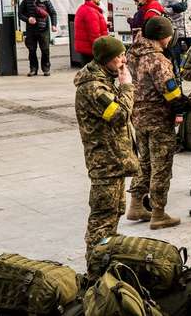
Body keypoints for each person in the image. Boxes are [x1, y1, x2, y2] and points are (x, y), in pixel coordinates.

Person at [74, 36, 138, 257]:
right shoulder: (94, 88)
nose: (123, 60)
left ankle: (106, 259)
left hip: (114, 161)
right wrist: (127, 86)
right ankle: (95, 268)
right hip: (105, 164)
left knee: (114, 212)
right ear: (105, 59)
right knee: (102, 219)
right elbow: (119, 115)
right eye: (119, 56)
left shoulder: (105, 78)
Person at [125, 17, 189, 230]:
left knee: (145, 162)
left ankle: (135, 205)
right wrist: (183, 105)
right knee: (161, 166)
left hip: (139, 117)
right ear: (164, 36)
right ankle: (158, 213)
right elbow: (170, 92)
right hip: (159, 119)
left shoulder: (133, 53)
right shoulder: (157, 60)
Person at [18, 0, 57, 77]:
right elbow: (20, 14)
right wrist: (28, 19)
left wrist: (54, 25)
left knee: (45, 50)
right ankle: (33, 69)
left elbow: (53, 13)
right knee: (31, 50)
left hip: (44, 30)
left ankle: (46, 69)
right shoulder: (25, 1)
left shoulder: (45, 1)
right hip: (31, 30)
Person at [73, 0, 108, 65]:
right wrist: (101, 51)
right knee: (94, 76)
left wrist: (104, 25)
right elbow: (94, 35)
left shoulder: (84, 8)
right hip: (92, 52)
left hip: (86, 50)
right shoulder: (91, 12)